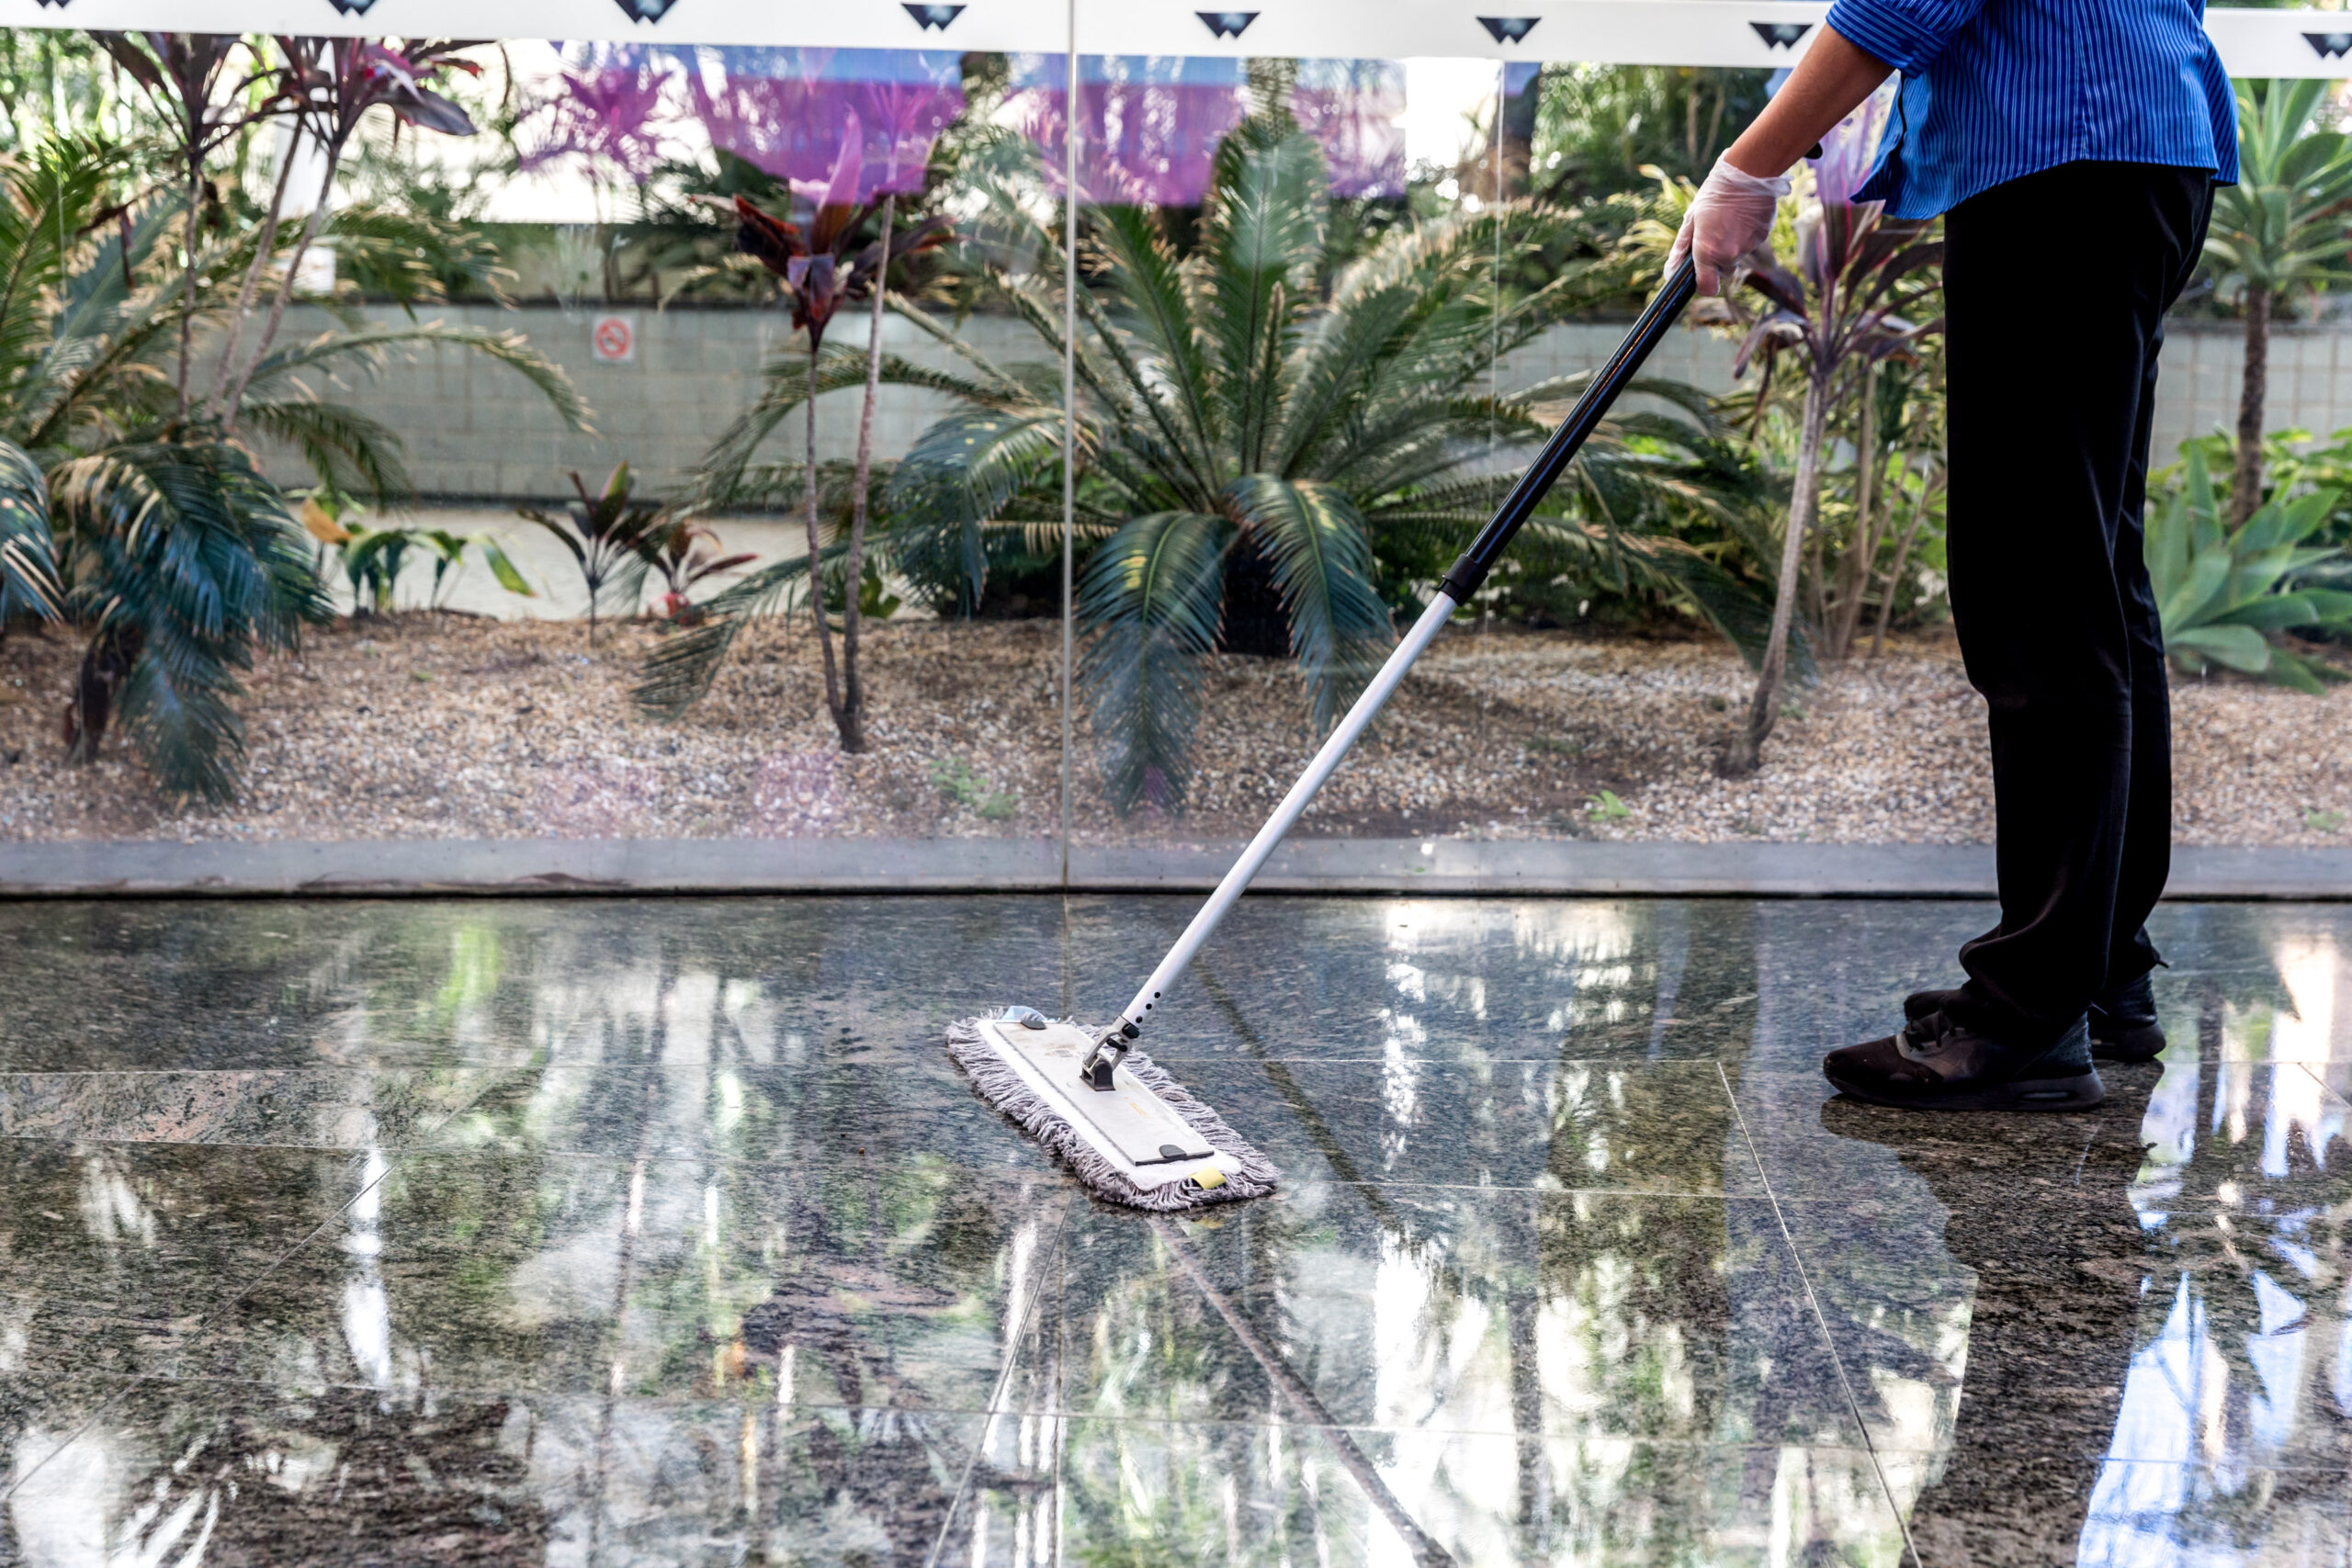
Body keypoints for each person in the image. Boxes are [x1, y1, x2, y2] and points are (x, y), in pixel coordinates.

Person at [1668, 0, 2237, 1111]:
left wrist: (1749, 166)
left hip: (2062, 167)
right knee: (2088, 575)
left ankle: (2027, 1017)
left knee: (2035, 588)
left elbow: (1904, 3)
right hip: (2130, 154)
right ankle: (2095, 967)